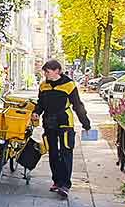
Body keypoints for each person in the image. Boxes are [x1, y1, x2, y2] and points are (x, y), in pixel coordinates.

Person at [32, 59, 90, 198]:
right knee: (52, 153)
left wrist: (85, 123)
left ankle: (65, 185)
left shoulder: (69, 85)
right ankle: (57, 181)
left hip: (65, 123)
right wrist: (36, 112)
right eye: (45, 72)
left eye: (48, 71)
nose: (46, 74)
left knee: (66, 152)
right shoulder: (44, 86)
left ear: (57, 71)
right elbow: (40, 103)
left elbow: (77, 105)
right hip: (49, 122)